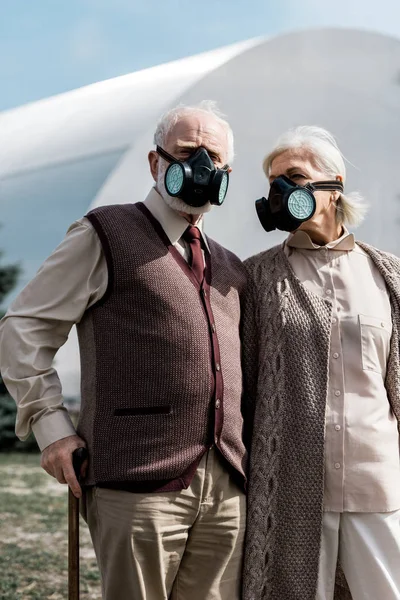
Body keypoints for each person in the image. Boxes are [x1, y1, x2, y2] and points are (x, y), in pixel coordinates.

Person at [0, 101, 247, 600]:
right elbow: (23, 328)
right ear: (156, 163)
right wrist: (51, 429)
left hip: (225, 489)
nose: (201, 166)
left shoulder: (230, 265)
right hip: (137, 486)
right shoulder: (104, 233)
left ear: (227, 173)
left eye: (213, 157)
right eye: (186, 152)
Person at [242, 126, 400, 600]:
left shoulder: (388, 275)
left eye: (293, 176)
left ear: (333, 186)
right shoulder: (255, 278)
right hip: (290, 488)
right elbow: (245, 388)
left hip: (378, 485)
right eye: (273, 181)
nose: (280, 191)